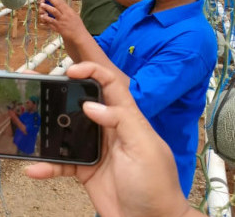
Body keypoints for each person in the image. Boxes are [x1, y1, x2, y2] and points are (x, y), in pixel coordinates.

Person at [41, 0, 218, 196]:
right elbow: (90, 57)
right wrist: (66, 29)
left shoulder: (193, 40)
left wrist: (77, 30)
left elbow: (131, 103)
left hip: (154, 185)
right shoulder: (140, 10)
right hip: (114, 164)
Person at [25, 62, 204, 217]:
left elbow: (139, 99)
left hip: (141, 159)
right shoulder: (129, 20)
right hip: (117, 175)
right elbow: (99, 46)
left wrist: (169, 213)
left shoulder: (193, 43)